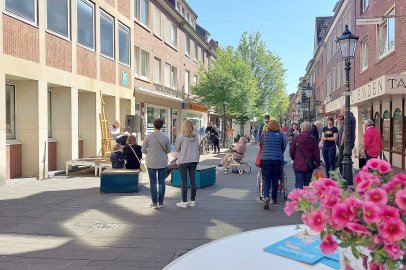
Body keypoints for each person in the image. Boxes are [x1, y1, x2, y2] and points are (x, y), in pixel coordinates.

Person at [142, 118, 171, 209]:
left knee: (153, 183)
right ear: (162, 126)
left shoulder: (148, 137)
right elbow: (168, 150)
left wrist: (149, 153)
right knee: (162, 182)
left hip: (151, 162)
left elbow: (143, 150)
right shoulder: (166, 137)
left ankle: (154, 203)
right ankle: (161, 203)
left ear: (153, 125)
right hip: (162, 162)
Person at [260, 120, 285, 209]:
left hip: (265, 159)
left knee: (266, 179)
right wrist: (279, 153)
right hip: (277, 159)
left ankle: (266, 196)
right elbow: (283, 146)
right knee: (275, 179)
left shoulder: (264, 134)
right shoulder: (281, 135)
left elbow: (262, 145)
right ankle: (274, 198)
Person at [175, 119, 200, 208]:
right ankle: (192, 201)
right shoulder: (196, 136)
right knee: (193, 180)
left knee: (184, 181)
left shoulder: (181, 137)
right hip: (194, 160)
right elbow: (198, 148)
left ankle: (184, 201)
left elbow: (176, 148)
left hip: (184, 160)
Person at [290, 122, 320, 189]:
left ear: (302, 128)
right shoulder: (313, 139)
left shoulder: (297, 137)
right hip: (309, 164)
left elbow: (291, 150)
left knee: (298, 181)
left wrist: (294, 159)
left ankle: (299, 197)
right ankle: (306, 197)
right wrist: (317, 163)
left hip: (298, 164)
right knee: (307, 182)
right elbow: (316, 152)